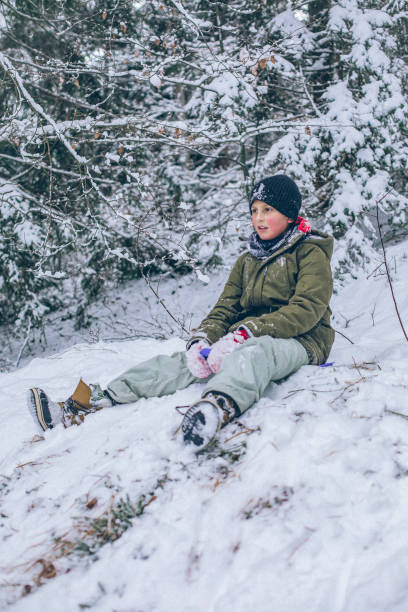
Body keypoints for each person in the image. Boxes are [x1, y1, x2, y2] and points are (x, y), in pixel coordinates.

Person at [28, 175, 334, 451]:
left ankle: (214, 408)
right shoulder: (247, 260)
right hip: (245, 337)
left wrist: (246, 333)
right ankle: (90, 403)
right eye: (254, 210)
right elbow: (225, 308)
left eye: (268, 210)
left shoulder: (309, 253)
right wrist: (201, 342)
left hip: (301, 340)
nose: (259, 218)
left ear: (290, 213)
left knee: (254, 353)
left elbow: (306, 309)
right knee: (180, 364)